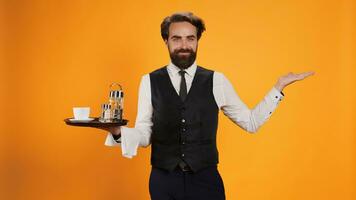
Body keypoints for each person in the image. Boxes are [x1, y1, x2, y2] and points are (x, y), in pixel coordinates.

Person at [98, 12, 314, 200]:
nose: (184, 45)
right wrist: (118, 132)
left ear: (198, 40)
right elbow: (145, 134)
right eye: (176, 38)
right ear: (166, 41)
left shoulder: (217, 80)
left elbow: (251, 122)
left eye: (190, 38)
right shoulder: (149, 81)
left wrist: (278, 88)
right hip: (163, 182)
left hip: (205, 181)